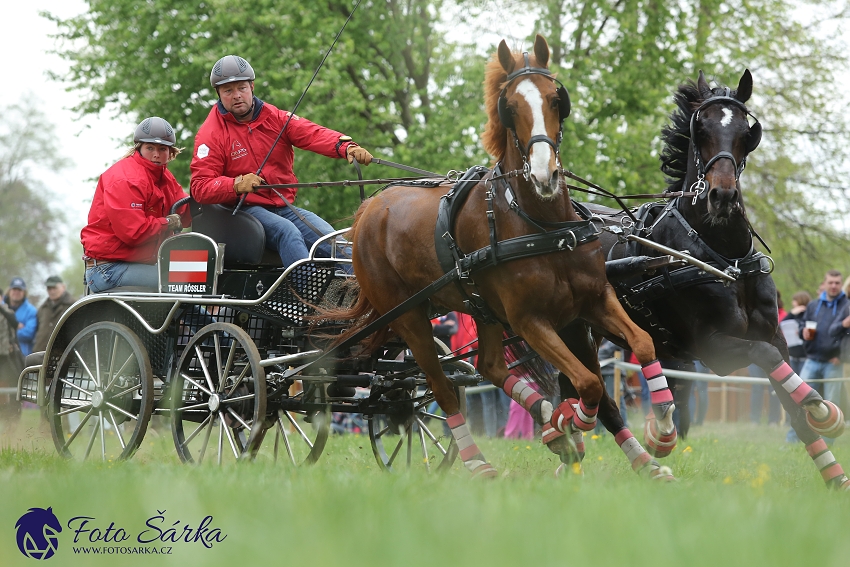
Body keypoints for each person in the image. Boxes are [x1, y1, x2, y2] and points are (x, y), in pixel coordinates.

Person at [190, 55, 373, 267]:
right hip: (242, 210)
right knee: (288, 233)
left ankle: (363, 295)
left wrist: (346, 147)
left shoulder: (274, 117)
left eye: (241, 88)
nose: (237, 96)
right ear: (219, 94)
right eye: (228, 91)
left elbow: (311, 133)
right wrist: (235, 184)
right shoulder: (210, 133)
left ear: (252, 86)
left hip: (282, 205)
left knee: (334, 243)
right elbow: (199, 187)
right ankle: (308, 296)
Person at [81, 117, 191, 293]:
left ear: (170, 152)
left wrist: (220, 197)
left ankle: (206, 322)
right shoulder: (126, 178)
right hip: (107, 269)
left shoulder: (164, 177)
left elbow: (185, 210)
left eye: (162, 149)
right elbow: (134, 232)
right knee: (180, 281)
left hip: (133, 264)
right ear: (139, 148)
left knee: (195, 276)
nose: (156, 154)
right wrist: (168, 222)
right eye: (150, 148)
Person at [799, 270, 847, 407]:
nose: (833, 286)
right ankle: (797, 429)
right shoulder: (813, 305)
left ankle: (831, 429)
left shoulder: (847, 306)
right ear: (824, 284)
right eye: (830, 282)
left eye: (837, 283)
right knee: (801, 396)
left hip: (834, 362)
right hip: (811, 359)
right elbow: (803, 323)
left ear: (841, 284)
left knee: (832, 403)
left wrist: (842, 357)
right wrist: (803, 332)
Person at [0, 289, 24, 422]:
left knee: (12, 388)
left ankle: (13, 421)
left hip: (7, 357)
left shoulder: (8, 312)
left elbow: (15, 325)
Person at [33, 276, 76, 352]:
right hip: (41, 355)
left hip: (64, 356)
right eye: (49, 288)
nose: (52, 291)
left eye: (54, 288)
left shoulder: (73, 306)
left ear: (63, 287)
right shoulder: (42, 309)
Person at [3, 277, 37, 356]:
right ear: (9, 290)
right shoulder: (2, 308)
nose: (16, 292)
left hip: (21, 356)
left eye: (19, 290)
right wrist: (17, 326)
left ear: (24, 292)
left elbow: (29, 333)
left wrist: (6, 332)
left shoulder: (31, 311)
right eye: (14, 289)